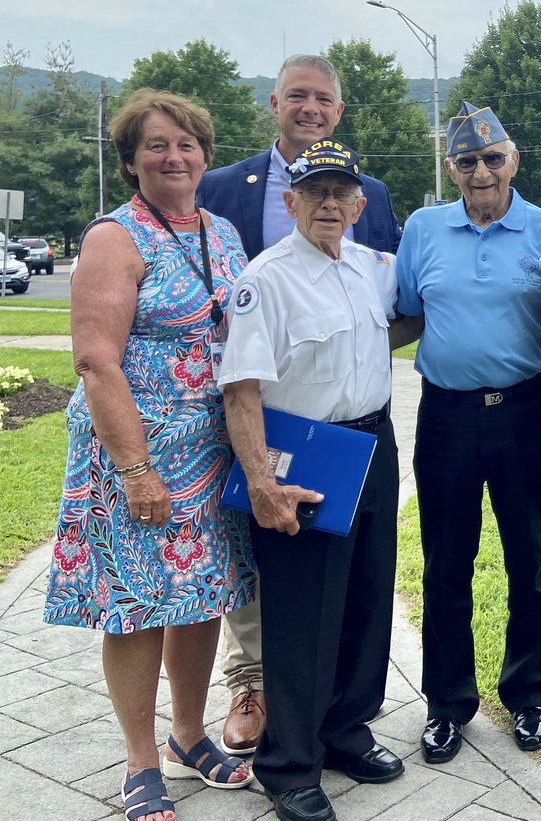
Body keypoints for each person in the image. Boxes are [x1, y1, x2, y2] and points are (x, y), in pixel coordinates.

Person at [43, 89, 256, 821]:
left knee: (201, 598)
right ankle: (140, 763)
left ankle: (189, 737)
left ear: (204, 154)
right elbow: (97, 362)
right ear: (131, 161)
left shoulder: (221, 231)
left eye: (186, 144)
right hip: (134, 448)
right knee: (136, 607)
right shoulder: (115, 238)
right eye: (156, 146)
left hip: (210, 449)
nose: (174, 156)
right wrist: (136, 469)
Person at [197, 53, 402, 756]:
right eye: (314, 192)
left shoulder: (371, 270)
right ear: (290, 200)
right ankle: (290, 762)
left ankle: (345, 728)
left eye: (340, 193)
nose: (328, 205)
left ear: (359, 206)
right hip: (305, 450)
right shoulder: (266, 279)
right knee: (300, 614)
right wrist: (260, 478)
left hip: (373, 447)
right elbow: (241, 388)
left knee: (367, 602)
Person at [393, 102, 541, 764]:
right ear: (452, 168)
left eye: (493, 158)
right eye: (468, 161)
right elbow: (405, 315)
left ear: (514, 161)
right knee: (445, 565)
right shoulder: (424, 229)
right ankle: (447, 703)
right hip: (446, 417)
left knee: (531, 561)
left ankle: (529, 694)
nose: (482, 171)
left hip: (526, 413)